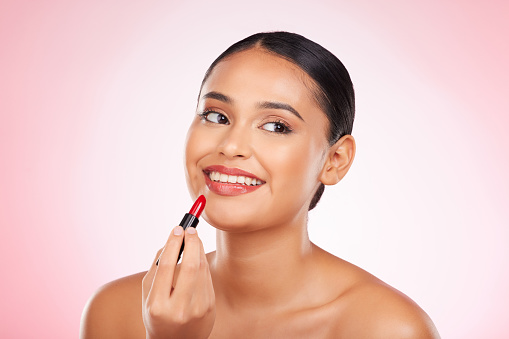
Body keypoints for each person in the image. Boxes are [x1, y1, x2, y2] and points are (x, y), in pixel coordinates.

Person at [80, 31, 440, 338]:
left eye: (276, 126)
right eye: (216, 116)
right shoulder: (116, 313)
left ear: (335, 161)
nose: (231, 146)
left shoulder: (387, 329)